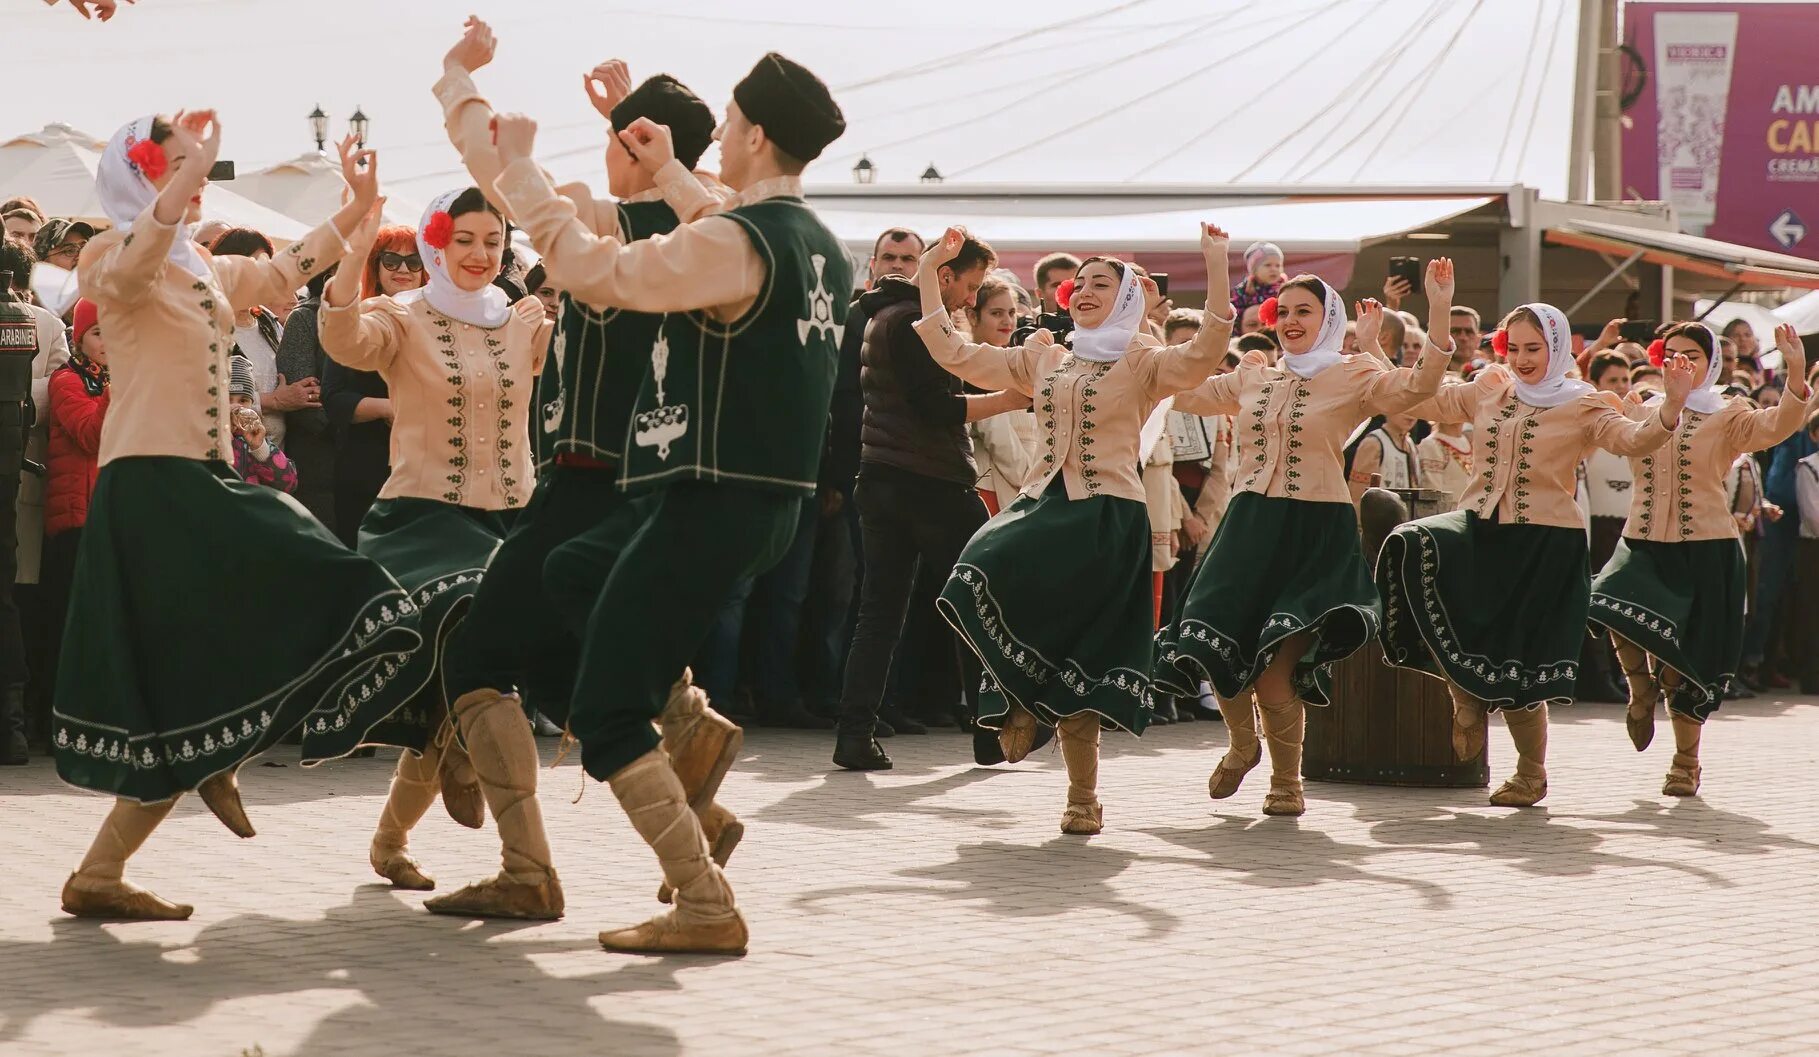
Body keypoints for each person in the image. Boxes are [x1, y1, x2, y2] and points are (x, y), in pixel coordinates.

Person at [488, 49, 851, 953]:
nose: (720, 133)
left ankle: (702, 896)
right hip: (768, 503)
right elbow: (719, 217)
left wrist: (521, 174)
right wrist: (666, 167)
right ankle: (682, 720)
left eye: (728, 122)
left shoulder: (735, 241)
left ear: (757, 133)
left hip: (710, 498)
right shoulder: (817, 245)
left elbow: (596, 271)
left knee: (607, 708)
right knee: (575, 568)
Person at [56, 113, 421, 920]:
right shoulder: (108, 254)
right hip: (150, 481)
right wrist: (184, 177)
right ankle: (219, 753)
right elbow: (129, 270)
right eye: (179, 168)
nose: (197, 181)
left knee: (193, 674)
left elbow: (287, 267)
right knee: (319, 574)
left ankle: (102, 869)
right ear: (143, 178)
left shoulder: (205, 270)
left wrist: (355, 209)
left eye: (200, 170)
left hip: (201, 477)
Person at [421, 20, 737, 927]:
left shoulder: (627, 222)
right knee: (566, 671)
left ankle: (536, 867)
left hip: (588, 482)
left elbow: (499, 175)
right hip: (628, 487)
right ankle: (692, 794)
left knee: (479, 660)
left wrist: (457, 78)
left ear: (638, 148)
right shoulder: (705, 229)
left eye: (616, 138)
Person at [915, 222, 1235, 833]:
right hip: (1045, 504)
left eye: (1100, 284)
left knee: (1085, 657)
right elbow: (959, 355)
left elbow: (1203, 353)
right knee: (978, 567)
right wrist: (932, 271)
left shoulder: (1143, 361)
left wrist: (1215, 263)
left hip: (1108, 515)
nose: (1083, 291)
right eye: (1078, 283)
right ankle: (1018, 701)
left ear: (1128, 297)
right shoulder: (1045, 356)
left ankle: (1082, 798)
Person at [319, 177, 552, 893]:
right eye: (463, 240)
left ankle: (391, 840)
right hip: (422, 521)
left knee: (462, 692)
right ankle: (529, 866)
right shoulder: (401, 315)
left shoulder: (526, 319)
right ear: (433, 245)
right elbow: (343, 337)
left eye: (492, 240)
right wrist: (353, 248)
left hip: (509, 517)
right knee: (474, 653)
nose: (479, 253)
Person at [1160, 266, 1454, 817]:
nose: (1290, 322)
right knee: (1213, 640)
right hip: (1247, 525)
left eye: (1304, 311)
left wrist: (1438, 308)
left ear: (1329, 320)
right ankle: (1242, 744)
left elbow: (1419, 386)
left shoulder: (1355, 375)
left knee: (1275, 669)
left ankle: (1286, 781)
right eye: (1283, 312)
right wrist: (1137, 339)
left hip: (1313, 529)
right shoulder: (1254, 376)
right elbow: (1183, 391)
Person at [1376, 304, 1696, 809]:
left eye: (1534, 348)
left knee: (1522, 663)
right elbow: (1426, 399)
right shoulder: (1489, 386)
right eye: (1514, 347)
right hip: (1481, 527)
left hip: (1546, 542)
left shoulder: (1583, 403)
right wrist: (1410, 327)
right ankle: (1464, 698)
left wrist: (1671, 407)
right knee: (1412, 546)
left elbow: (1633, 439)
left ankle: (1530, 773)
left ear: (1559, 348)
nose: (1522, 359)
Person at [831, 232, 1028, 772]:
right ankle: (990, 732)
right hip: (932, 483)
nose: (970, 299)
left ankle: (855, 733)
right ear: (944, 276)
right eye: (968, 286)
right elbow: (936, 409)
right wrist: (1009, 399)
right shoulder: (916, 323)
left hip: (879, 477)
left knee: (879, 613)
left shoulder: (882, 316)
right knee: (973, 605)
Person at [1588, 323, 1809, 797]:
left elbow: (1776, 426)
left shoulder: (1727, 414)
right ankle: (1639, 686)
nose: (1681, 364)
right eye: (1671, 355)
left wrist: (1794, 370)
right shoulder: (1641, 409)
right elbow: (1611, 436)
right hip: (1644, 537)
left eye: (1692, 355)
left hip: (1707, 544)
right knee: (1608, 602)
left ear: (1710, 364)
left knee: (1687, 660)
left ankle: (1686, 760)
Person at [0, 238, 70, 761]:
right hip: (16, 473)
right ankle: (15, 725)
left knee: (15, 599)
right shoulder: (38, 324)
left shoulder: (46, 325)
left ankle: (15, 723)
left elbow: (56, 393)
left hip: (19, 478)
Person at [40, 299, 107, 754]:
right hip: (76, 518)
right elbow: (89, 434)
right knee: (68, 627)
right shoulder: (67, 380)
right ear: (80, 337)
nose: (111, 341)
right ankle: (59, 727)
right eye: (100, 332)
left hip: (116, 517)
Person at [209, 227, 314, 452]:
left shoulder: (268, 321)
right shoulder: (207, 322)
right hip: (228, 455)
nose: (258, 274)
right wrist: (272, 400)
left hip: (274, 460)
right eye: (250, 264)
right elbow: (204, 392)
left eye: (264, 266)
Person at [1579, 349, 1636, 702]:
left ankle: (1623, 676)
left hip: (1627, 527)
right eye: (1612, 381)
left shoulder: (1635, 426)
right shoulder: (1589, 428)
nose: (1621, 387)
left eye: (1625, 380)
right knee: (1597, 605)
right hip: (1596, 527)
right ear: (1597, 385)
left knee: (1623, 605)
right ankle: (1597, 677)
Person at [225, 358, 298, 492]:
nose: (236, 407)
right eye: (227, 400)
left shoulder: (254, 441)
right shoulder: (207, 440)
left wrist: (261, 448)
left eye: (243, 400)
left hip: (251, 510)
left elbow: (288, 485)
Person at [1794, 414, 1819, 693]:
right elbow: (1813, 515)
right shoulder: (1808, 467)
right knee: (1813, 613)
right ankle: (1812, 676)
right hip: (1814, 548)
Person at [1232, 242, 1283, 317]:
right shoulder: (1243, 290)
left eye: (1278, 266)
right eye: (1268, 265)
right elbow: (1237, 314)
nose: (1274, 269)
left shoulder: (1283, 288)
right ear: (1254, 270)